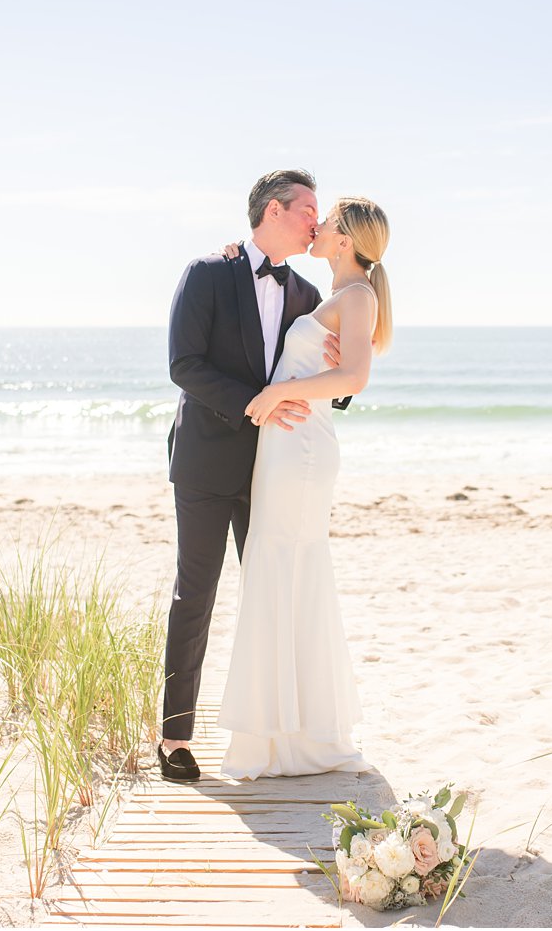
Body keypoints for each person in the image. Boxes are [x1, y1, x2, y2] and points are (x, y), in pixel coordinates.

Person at [160, 169, 348, 784]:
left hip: (276, 469)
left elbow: (322, 378)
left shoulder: (306, 293)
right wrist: (256, 400)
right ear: (273, 210)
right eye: (307, 209)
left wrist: (338, 378)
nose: (316, 222)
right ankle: (175, 737)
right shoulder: (209, 272)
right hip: (208, 461)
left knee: (276, 591)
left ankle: (279, 734)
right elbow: (184, 365)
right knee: (198, 592)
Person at [216, 196, 393, 779]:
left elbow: (355, 378)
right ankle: (279, 735)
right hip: (285, 451)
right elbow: (329, 369)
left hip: (303, 452)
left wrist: (275, 396)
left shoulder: (358, 295)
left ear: (343, 240)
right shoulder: (337, 298)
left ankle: (297, 738)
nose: (315, 227)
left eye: (327, 221)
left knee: (287, 566)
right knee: (275, 568)